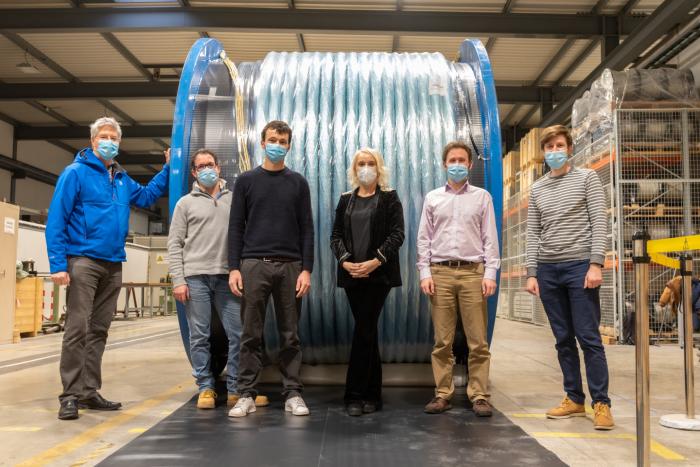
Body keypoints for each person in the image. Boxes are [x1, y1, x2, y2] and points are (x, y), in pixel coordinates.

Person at [46, 117, 169, 420]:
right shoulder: (74, 174)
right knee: (77, 329)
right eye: (104, 136)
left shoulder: (123, 179)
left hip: (114, 263)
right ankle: (70, 396)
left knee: (99, 330)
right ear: (92, 141)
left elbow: (148, 195)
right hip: (83, 260)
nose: (109, 140)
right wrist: (58, 264)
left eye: (114, 136)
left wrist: (167, 170)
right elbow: (56, 221)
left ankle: (89, 392)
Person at [525, 125, 614, 430]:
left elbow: (599, 222)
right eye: (548, 148)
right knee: (563, 339)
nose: (554, 152)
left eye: (559, 145)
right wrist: (532, 272)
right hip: (548, 270)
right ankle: (574, 398)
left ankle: (601, 403)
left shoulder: (587, 178)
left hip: (579, 267)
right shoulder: (537, 188)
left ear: (569, 148)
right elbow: (534, 232)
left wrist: (595, 264)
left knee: (588, 338)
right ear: (543, 153)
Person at [167, 149, 268, 411]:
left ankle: (235, 388)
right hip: (195, 278)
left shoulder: (234, 200)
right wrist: (178, 280)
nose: (206, 170)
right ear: (193, 172)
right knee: (199, 335)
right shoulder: (184, 204)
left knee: (238, 333)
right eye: (201, 167)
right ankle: (206, 387)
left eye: (210, 164)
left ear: (219, 167)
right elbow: (174, 244)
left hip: (227, 277)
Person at [227, 120, 314, 418]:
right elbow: (236, 226)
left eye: (283, 141)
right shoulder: (247, 181)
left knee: (290, 334)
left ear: (289, 146)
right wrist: (233, 268)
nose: (278, 145)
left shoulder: (298, 183)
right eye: (273, 140)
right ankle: (246, 394)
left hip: (291, 267)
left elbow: (307, 229)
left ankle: (293, 393)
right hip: (253, 266)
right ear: (262, 143)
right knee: (250, 334)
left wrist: (307, 270)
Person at [417, 141, 500, 417]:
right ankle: (443, 393)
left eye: (461, 160)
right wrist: (425, 272)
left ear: (469, 164)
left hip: (472, 273)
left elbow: (490, 238)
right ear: (444, 164)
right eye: (452, 160)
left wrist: (490, 273)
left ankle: (479, 395)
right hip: (440, 272)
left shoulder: (482, 197)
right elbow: (424, 239)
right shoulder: (432, 198)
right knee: (442, 341)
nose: (456, 164)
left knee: (478, 341)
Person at [330, 148, 405, 417]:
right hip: (352, 274)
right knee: (367, 332)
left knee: (364, 330)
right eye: (361, 163)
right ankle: (373, 394)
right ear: (354, 169)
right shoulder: (345, 200)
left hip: (378, 275)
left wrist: (375, 261)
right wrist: (346, 261)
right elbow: (335, 235)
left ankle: (355, 394)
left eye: (370, 163)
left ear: (379, 167)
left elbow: (398, 235)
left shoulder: (389, 198)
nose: (365, 167)